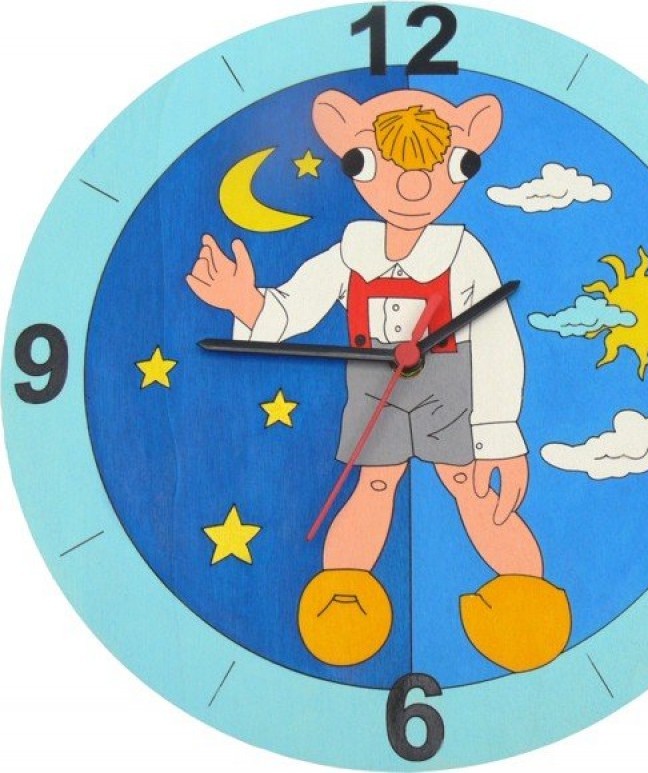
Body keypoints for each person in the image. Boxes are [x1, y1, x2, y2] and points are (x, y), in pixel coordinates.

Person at [187, 88, 570, 672]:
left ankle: (525, 606)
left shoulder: (462, 252)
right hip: (374, 385)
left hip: (448, 387)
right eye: (376, 165)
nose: (412, 188)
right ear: (355, 166)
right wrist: (247, 302)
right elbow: (296, 304)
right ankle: (344, 605)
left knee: (469, 486)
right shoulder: (352, 250)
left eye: (444, 167)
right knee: (373, 485)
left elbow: (496, 340)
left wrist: (500, 436)